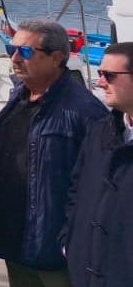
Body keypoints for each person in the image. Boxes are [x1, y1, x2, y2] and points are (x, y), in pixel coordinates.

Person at [0, 18, 108, 287]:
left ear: (56, 58)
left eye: (26, 52)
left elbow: (98, 186)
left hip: (56, 251)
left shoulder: (85, 112)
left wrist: (74, 242)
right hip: (14, 242)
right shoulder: (16, 100)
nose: (15, 58)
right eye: (12, 49)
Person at [64, 41, 133, 287]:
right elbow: (76, 189)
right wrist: (70, 242)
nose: (100, 82)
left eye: (109, 75)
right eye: (101, 73)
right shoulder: (100, 131)